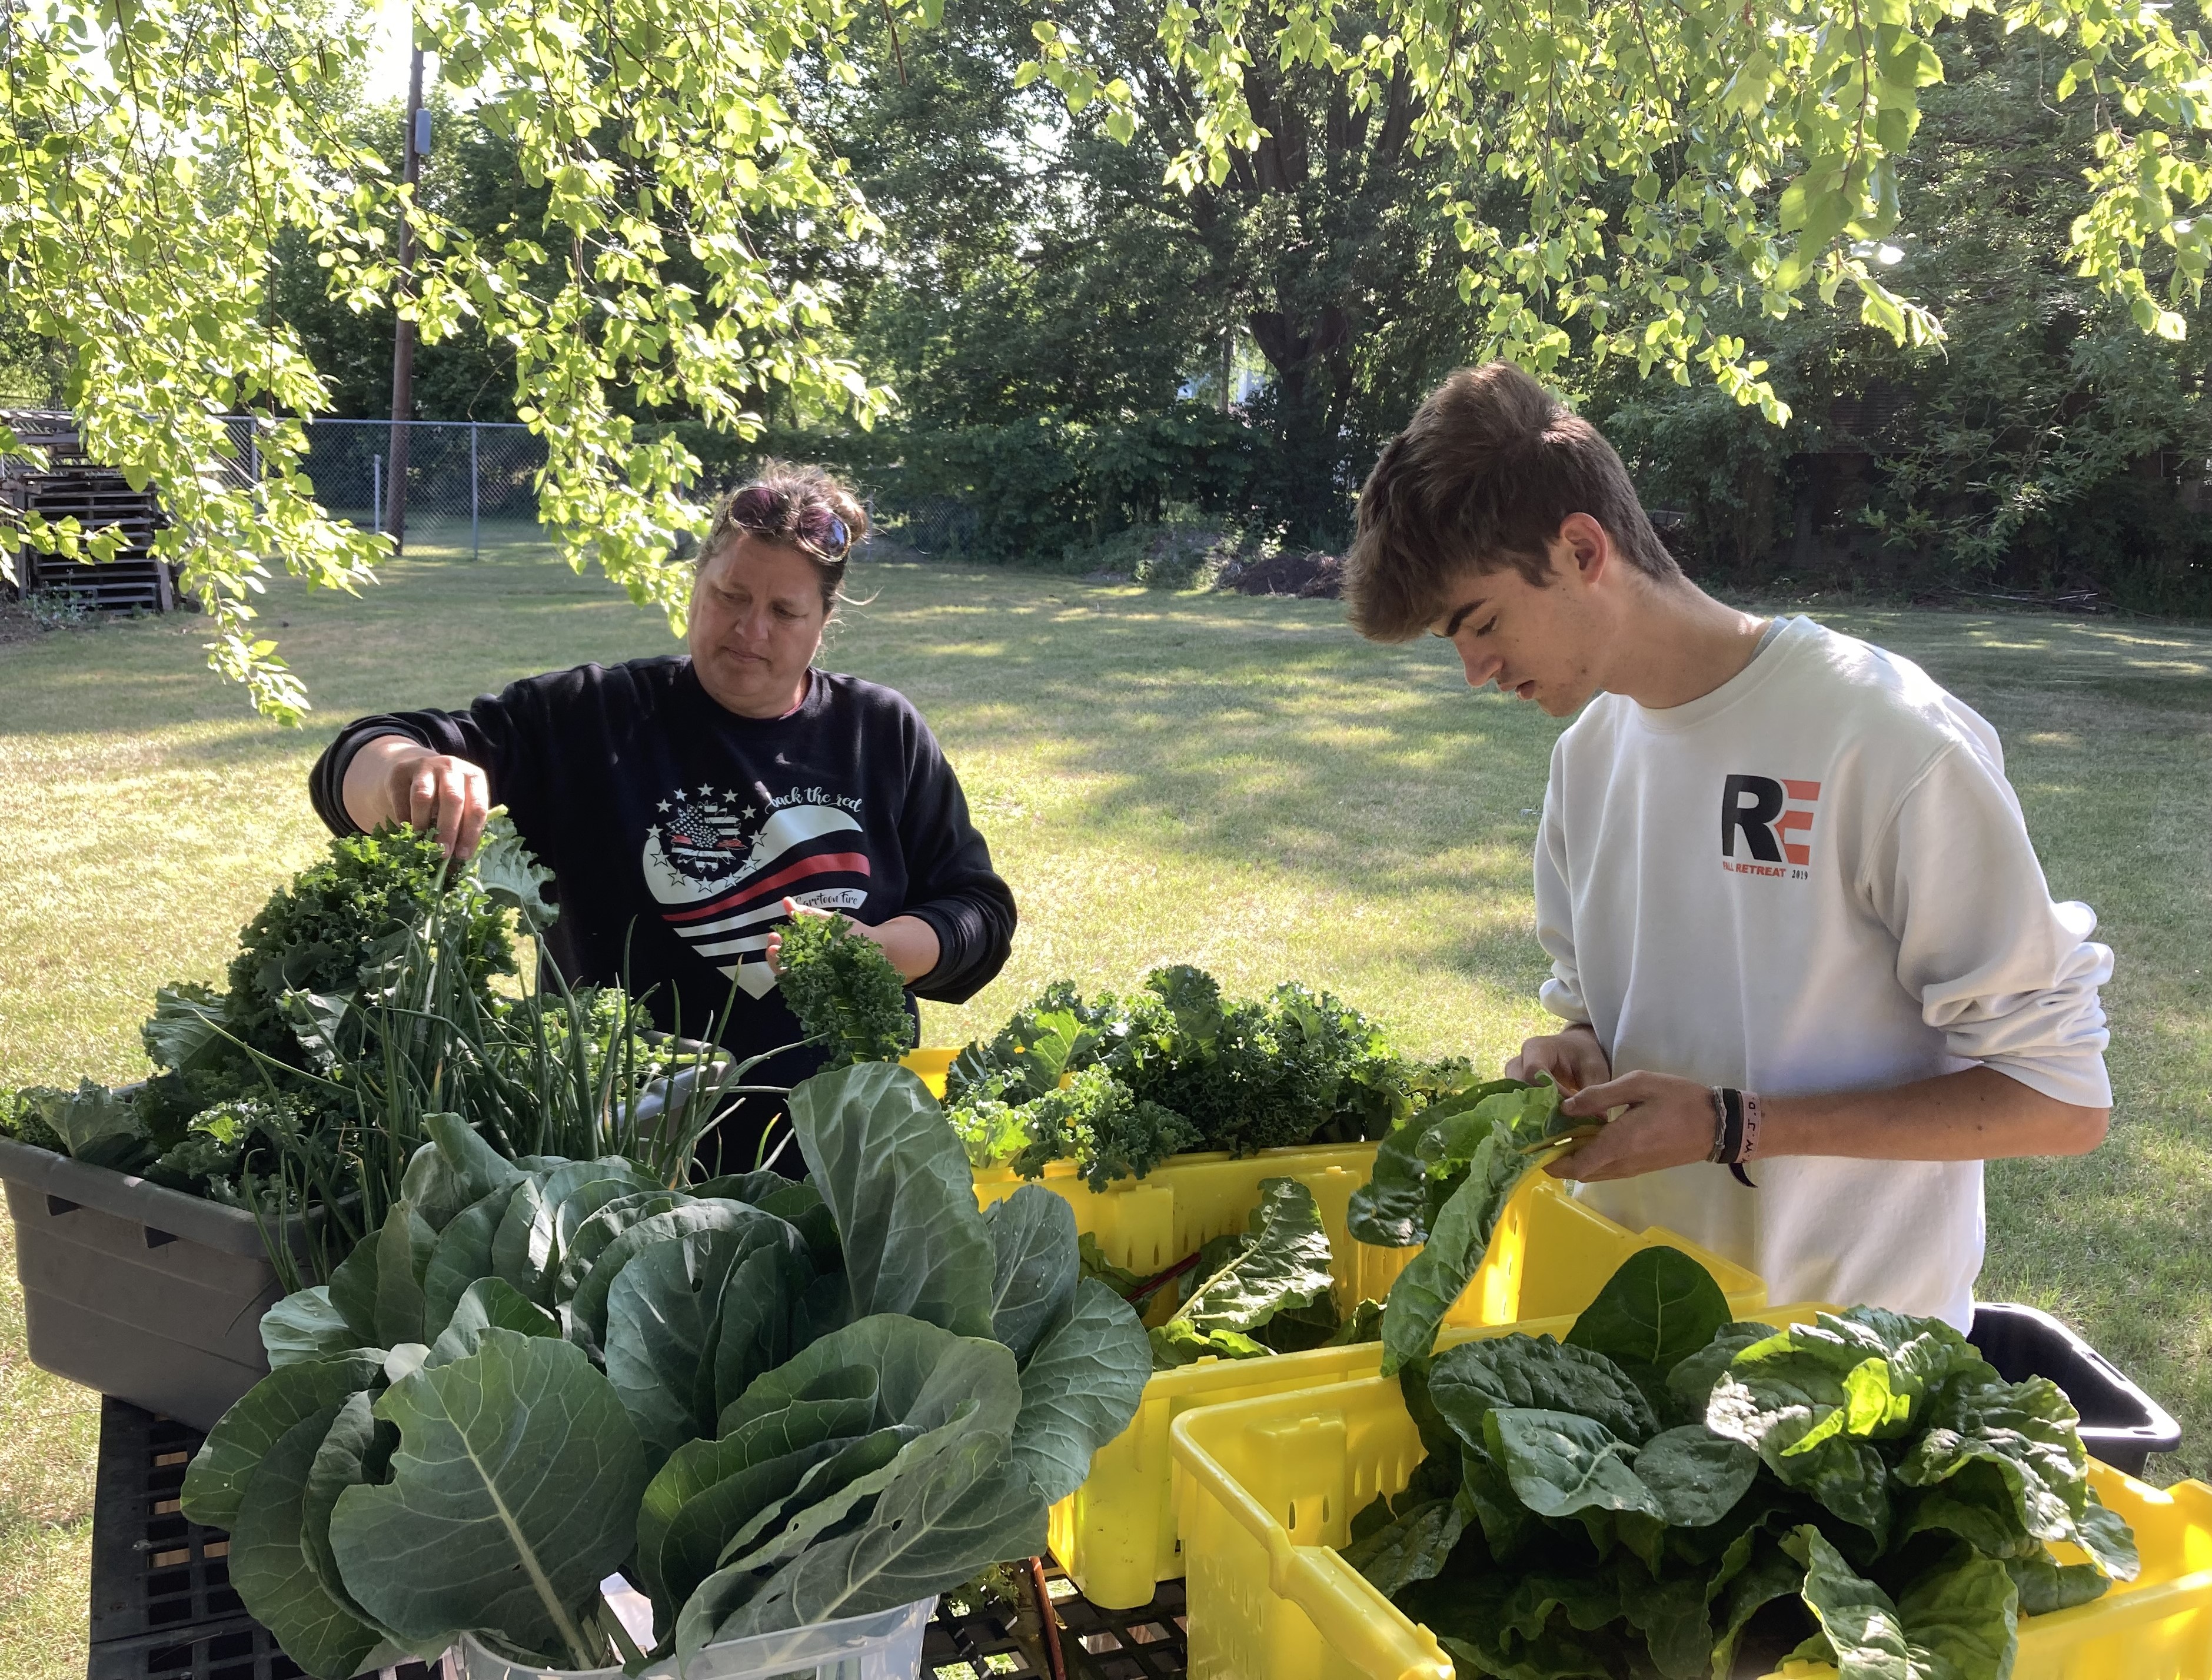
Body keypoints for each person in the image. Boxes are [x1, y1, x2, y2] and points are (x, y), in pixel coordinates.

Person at [1343, 363, 2112, 1326]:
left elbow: (2058, 1100)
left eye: (1482, 622)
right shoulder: (1587, 760)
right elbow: (1596, 1018)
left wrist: (1730, 1126)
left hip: (1837, 1387)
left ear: (1581, 549)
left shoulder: (1883, 738)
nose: (1473, 671)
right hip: (1628, 1350)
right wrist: (1572, 1052)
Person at [308, 463, 1017, 1173]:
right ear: (696, 583)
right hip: (621, 1161)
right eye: (729, 595)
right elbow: (350, 764)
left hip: (842, 1149)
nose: (750, 629)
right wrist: (407, 770)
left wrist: (890, 948)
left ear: (824, 621)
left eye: (785, 611)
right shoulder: (593, 716)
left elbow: (977, 908)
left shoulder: (879, 729)